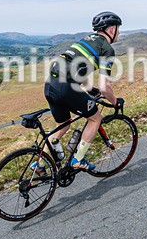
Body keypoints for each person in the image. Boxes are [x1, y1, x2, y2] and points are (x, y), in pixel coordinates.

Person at [42, 11, 123, 171]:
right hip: (65, 87)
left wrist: (89, 90)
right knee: (95, 118)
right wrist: (115, 103)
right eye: (118, 29)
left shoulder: (86, 40)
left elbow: (78, 68)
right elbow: (105, 86)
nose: (119, 33)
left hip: (50, 85)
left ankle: (39, 163)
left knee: (63, 125)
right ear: (111, 30)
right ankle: (78, 159)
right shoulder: (106, 49)